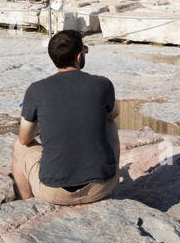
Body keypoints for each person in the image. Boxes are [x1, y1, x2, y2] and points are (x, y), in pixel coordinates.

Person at [11, 30, 120, 206]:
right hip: (101, 188)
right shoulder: (102, 84)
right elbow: (114, 114)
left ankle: (27, 203)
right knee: (110, 124)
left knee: (18, 146)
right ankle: (109, 175)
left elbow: (24, 138)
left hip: (53, 192)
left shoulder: (36, 89)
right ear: (78, 57)